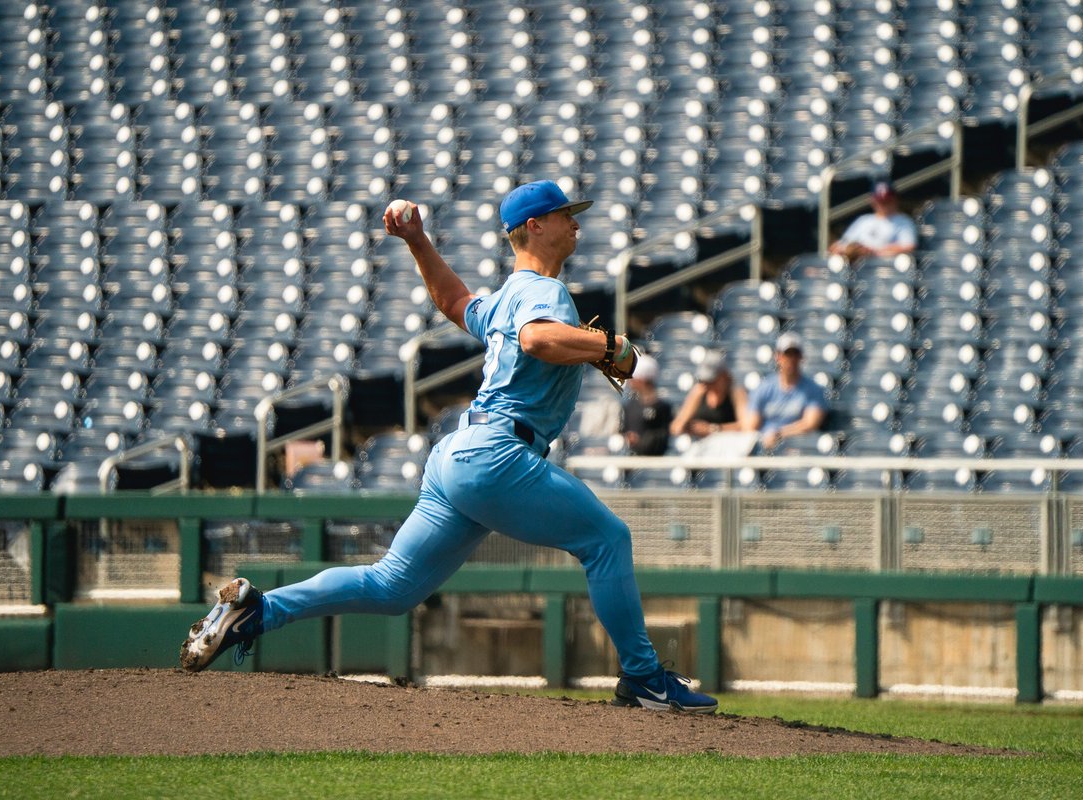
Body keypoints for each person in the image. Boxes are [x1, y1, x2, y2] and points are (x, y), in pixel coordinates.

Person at [179, 179, 717, 714]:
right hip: (497, 456)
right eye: (565, 214)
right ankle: (644, 678)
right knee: (607, 539)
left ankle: (258, 610)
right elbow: (537, 339)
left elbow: (455, 301)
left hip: (457, 455)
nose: (576, 221)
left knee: (391, 587)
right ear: (535, 226)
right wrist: (609, 344)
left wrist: (417, 240)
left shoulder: (509, 297)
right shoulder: (543, 292)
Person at [743, 332, 828, 451]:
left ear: (801, 357)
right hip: (765, 445)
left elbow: (810, 423)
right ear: (778, 357)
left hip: (798, 447)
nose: (791, 359)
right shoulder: (764, 387)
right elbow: (751, 425)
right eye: (787, 354)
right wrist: (765, 438)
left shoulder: (813, 389)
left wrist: (778, 434)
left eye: (795, 354)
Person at [669, 350, 749, 439]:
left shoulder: (736, 393)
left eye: (711, 380)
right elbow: (676, 427)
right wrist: (687, 427)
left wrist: (713, 429)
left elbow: (746, 427)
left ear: (723, 376)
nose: (707, 384)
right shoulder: (698, 391)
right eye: (704, 380)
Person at [828, 181, 917, 260]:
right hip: (857, 269)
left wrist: (873, 251)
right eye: (881, 201)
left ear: (895, 199)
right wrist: (846, 249)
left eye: (887, 200)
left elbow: (909, 247)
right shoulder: (864, 220)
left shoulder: (904, 221)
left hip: (886, 269)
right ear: (873, 201)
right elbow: (842, 244)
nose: (884, 205)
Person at [620, 354, 672, 456]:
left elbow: (663, 438)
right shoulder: (630, 405)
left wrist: (642, 441)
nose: (630, 381)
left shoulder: (662, 407)